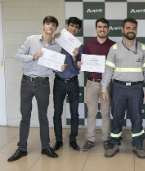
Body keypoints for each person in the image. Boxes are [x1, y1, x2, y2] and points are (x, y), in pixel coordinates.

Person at [8, 16, 65, 162]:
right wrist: (33, 57)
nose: (50, 27)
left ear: (55, 28)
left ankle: (45, 147)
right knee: (25, 116)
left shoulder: (57, 46)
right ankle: (22, 148)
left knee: (43, 117)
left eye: (53, 25)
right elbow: (17, 55)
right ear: (43, 26)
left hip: (43, 84)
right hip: (27, 82)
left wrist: (59, 67)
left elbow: (53, 67)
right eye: (48, 24)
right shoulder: (31, 40)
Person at [101, 18, 145, 159]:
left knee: (136, 118)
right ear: (123, 30)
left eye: (134, 28)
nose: (131, 31)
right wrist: (104, 88)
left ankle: (138, 144)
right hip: (118, 87)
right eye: (128, 28)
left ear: (136, 30)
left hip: (136, 89)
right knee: (117, 117)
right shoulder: (114, 48)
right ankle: (114, 144)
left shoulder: (143, 48)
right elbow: (108, 70)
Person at [77, 18, 115, 151]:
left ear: (108, 29)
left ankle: (106, 139)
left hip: (107, 84)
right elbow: (84, 61)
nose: (102, 29)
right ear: (96, 29)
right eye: (99, 27)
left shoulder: (114, 45)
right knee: (91, 113)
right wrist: (81, 63)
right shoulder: (88, 44)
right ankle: (90, 139)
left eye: (105, 27)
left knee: (105, 113)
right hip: (92, 83)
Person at [52, 17, 83, 151]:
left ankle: (73, 139)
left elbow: (79, 68)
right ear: (67, 26)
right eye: (71, 26)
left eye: (76, 27)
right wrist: (57, 68)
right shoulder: (57, 40)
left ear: (79, 29)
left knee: (74, 112)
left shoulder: (80, 46)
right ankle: (58, 140)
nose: (74, 29)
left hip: (73, 83)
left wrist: (75, 57)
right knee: (57, 112)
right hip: (59, 81)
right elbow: (51, 60)